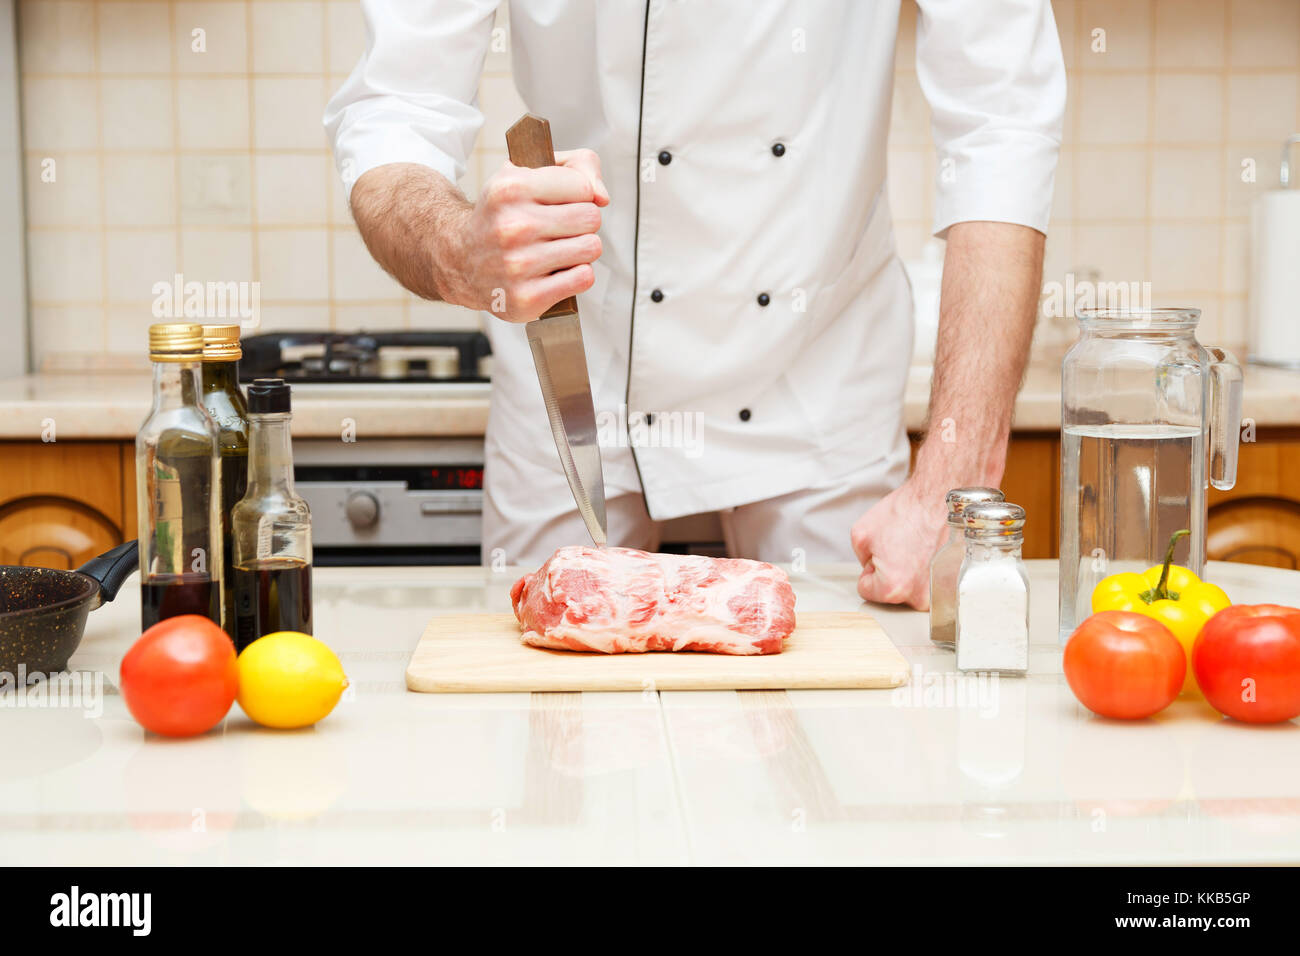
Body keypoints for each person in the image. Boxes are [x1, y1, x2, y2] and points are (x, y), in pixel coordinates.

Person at [325, 1, 1066, 608]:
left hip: (818, 384)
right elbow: (397, 107)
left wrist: (954, 479)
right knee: (544, 731)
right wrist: (459, 248)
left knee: (850, 744)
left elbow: (999, 122)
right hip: (577, 368)